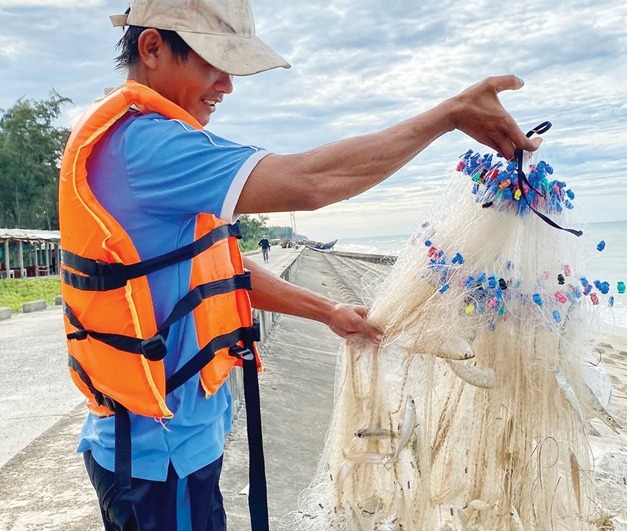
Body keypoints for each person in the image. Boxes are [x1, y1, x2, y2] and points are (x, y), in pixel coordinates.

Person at [58, 0, 539, 529]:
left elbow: (217, 269)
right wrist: (450, 115)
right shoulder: (147, 146)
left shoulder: (131, 137)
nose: (227, 85)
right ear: (152, 47)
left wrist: (328, 310)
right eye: (213, 63)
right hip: (158, 458)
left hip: (165, 442)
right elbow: (312, 182)